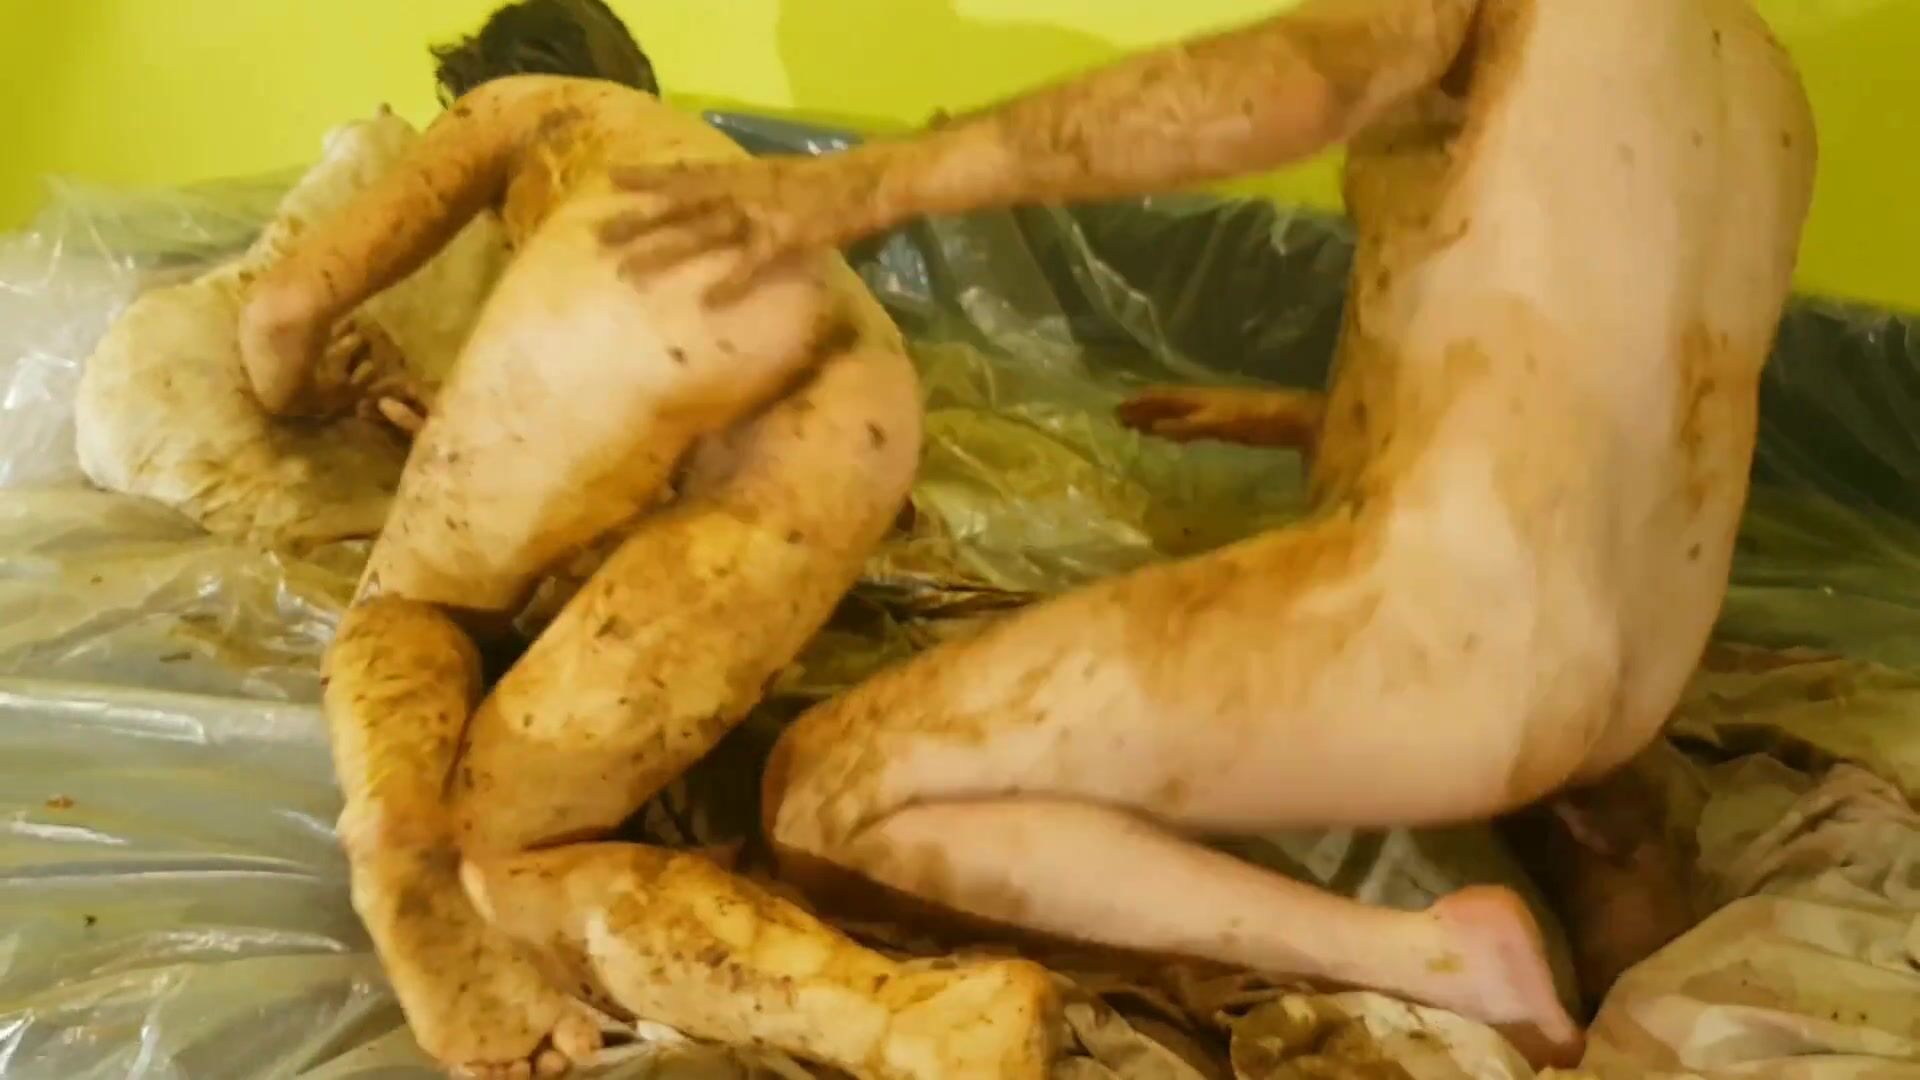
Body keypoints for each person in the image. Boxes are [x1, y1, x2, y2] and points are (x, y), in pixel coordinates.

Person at [594, 0, 1818, 1065]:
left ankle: (1438, 961)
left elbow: (1296, 81)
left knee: (830, 793)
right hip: (1637, 677)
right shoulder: (1760, 81)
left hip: (1460, 644)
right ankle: (1621, 943)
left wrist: (866, 182)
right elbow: (1627, 379)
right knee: (1583, 816)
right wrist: (1320, 421)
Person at [240, 2, 1055, 1076]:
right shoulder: (713, 159)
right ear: (641, 77)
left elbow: (282, 311)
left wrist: (298, 391)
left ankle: (393, 826)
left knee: (413, 617)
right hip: (862, 403)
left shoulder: (517, 107)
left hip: (634, 287)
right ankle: (913, 1021)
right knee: (500, 856)